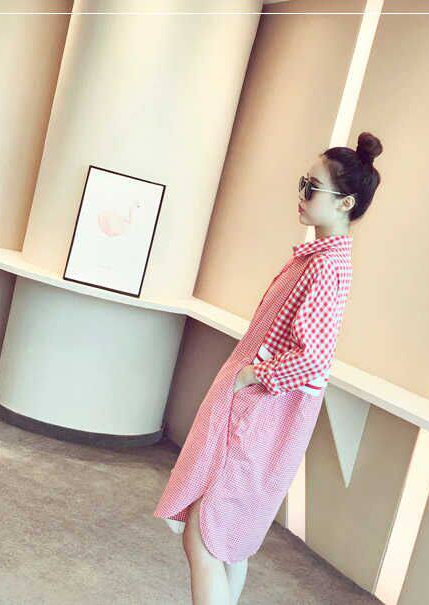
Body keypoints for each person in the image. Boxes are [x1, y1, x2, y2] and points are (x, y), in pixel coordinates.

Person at [153, 131, 383, 604]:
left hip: (262, 412)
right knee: (225, 538)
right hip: (258, 410)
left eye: (312, 188)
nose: (302, 194)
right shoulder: (320, 257)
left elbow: (313, 357)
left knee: (205, 533)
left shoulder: (326, 266)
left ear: (345, 203)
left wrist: (252, 376)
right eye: (303, 182)